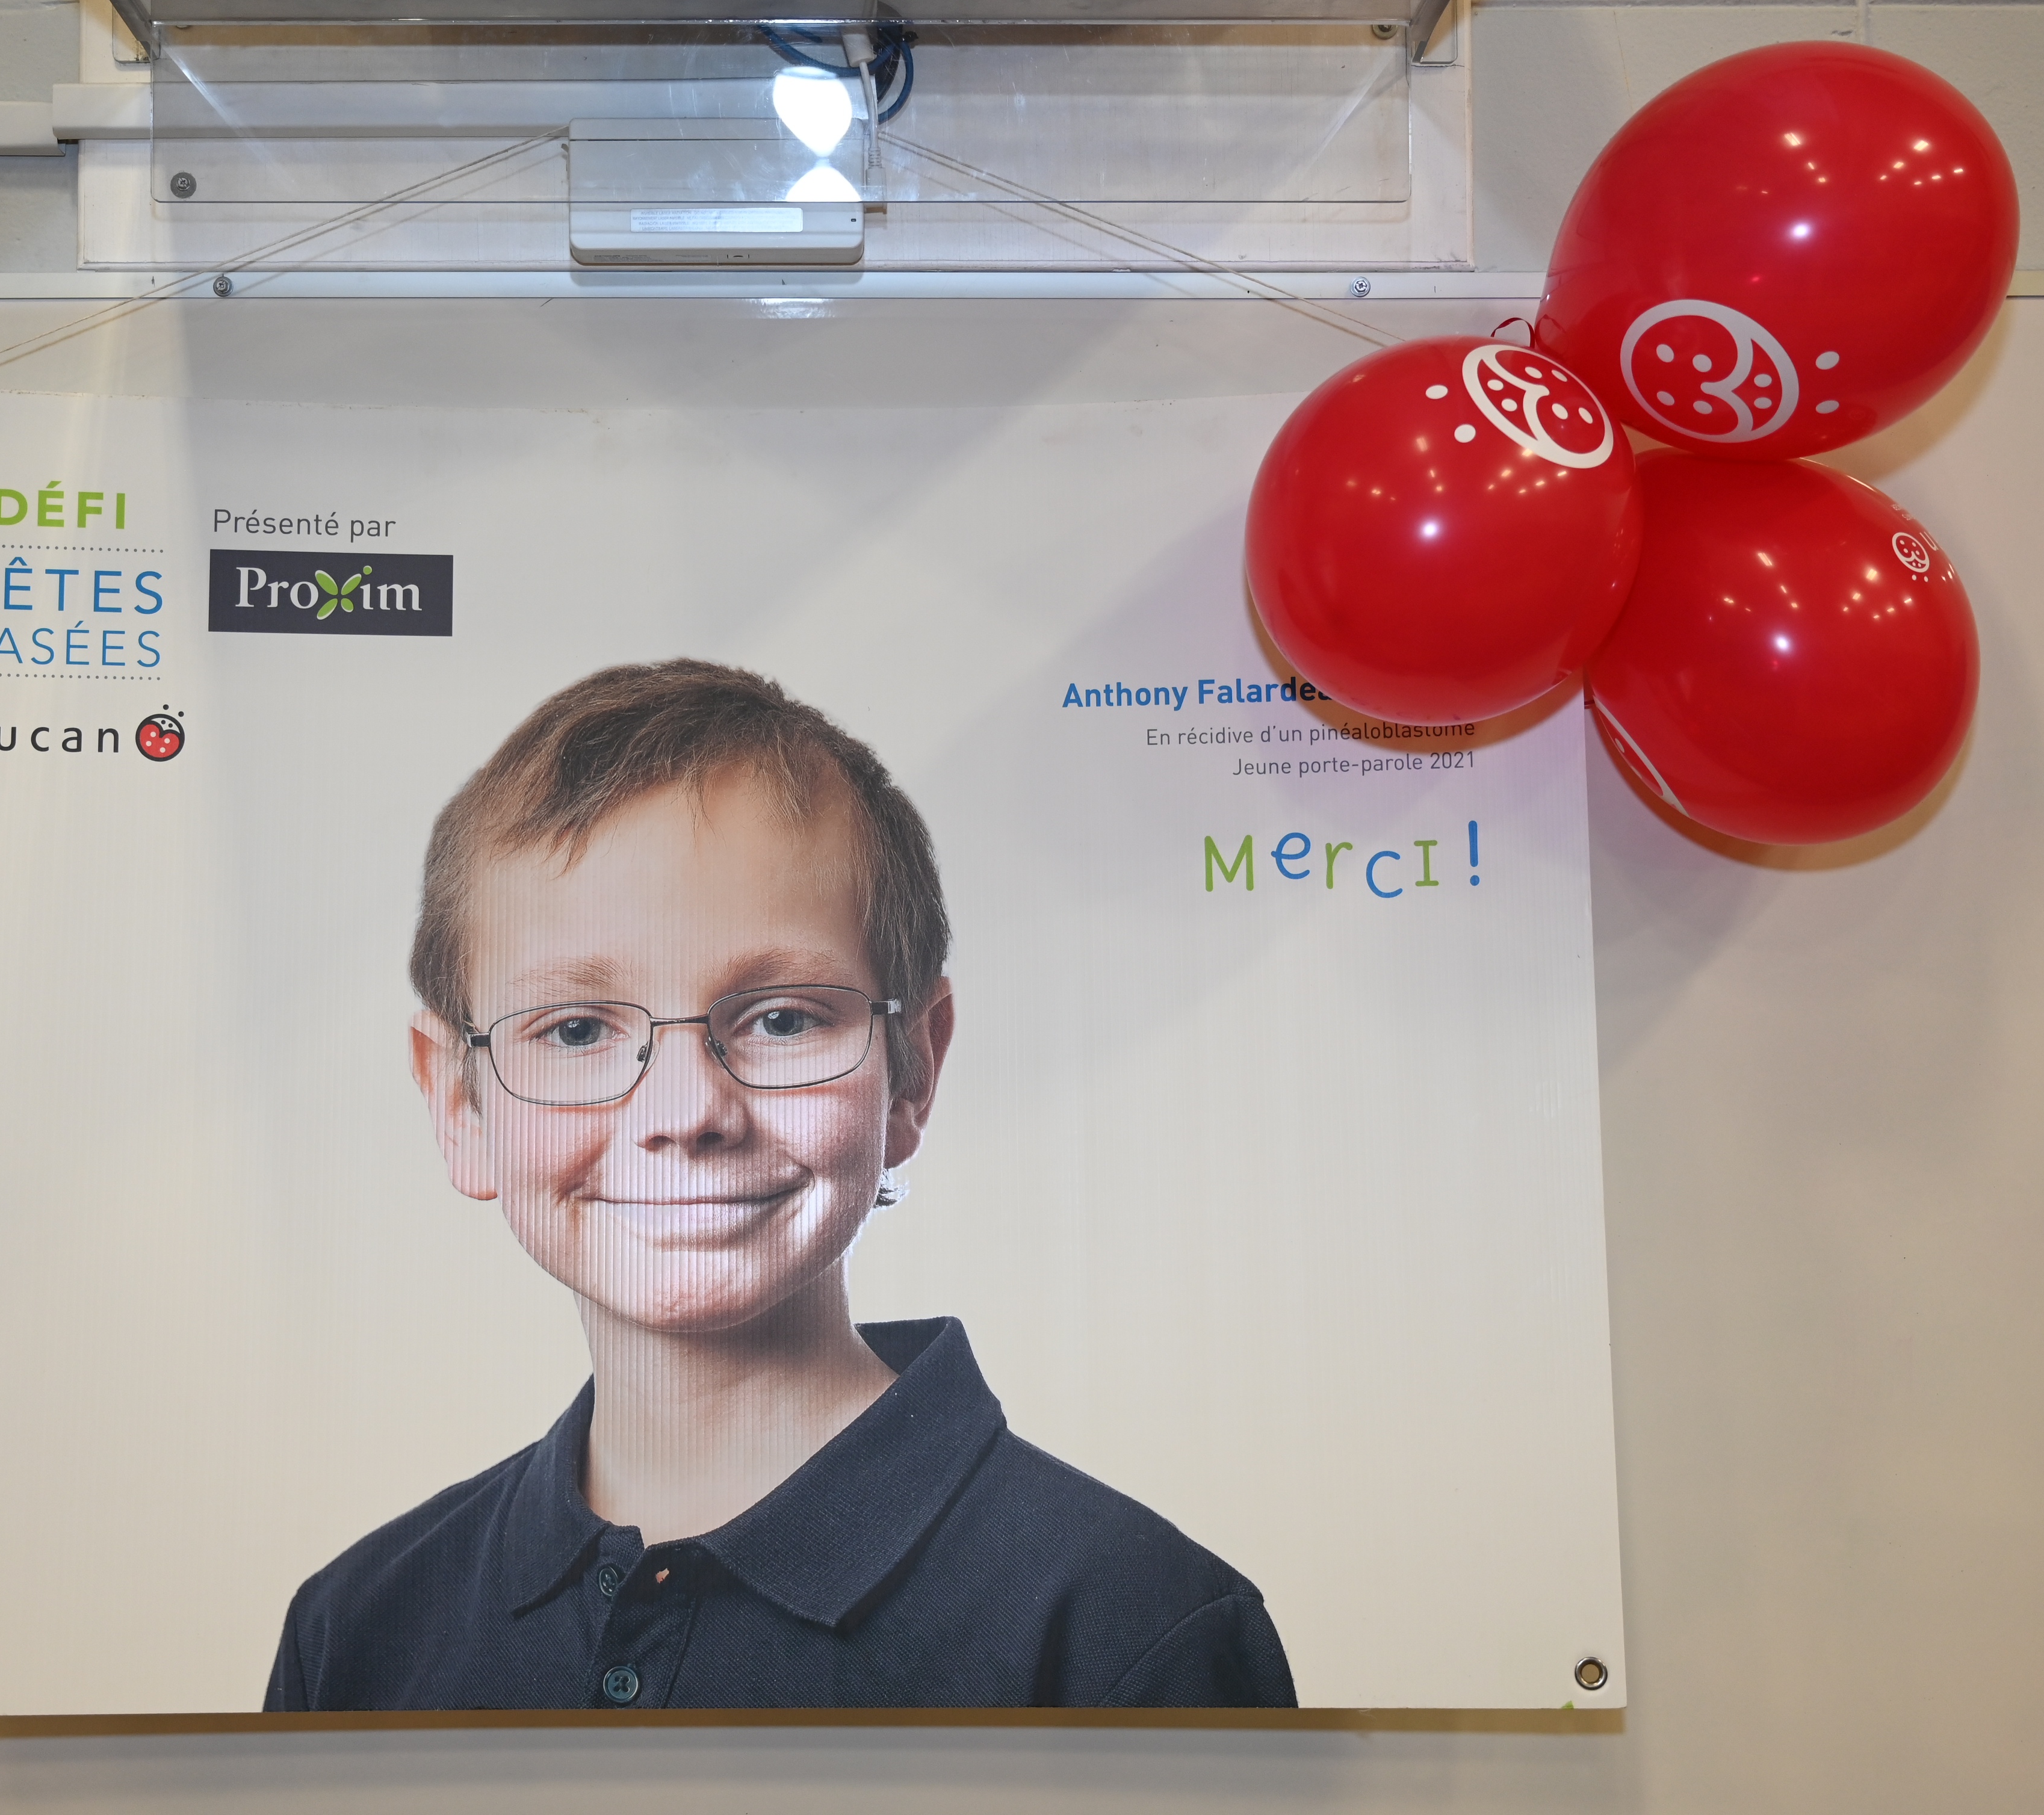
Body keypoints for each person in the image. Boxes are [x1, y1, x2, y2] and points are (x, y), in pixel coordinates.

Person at [265, 659, 1296, 1711]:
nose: (685, 1110)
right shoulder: (356, 1632)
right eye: (576, 1030)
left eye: (782, 1019)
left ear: (914, 1071)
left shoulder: (1135, 1630)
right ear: (458, 1105)